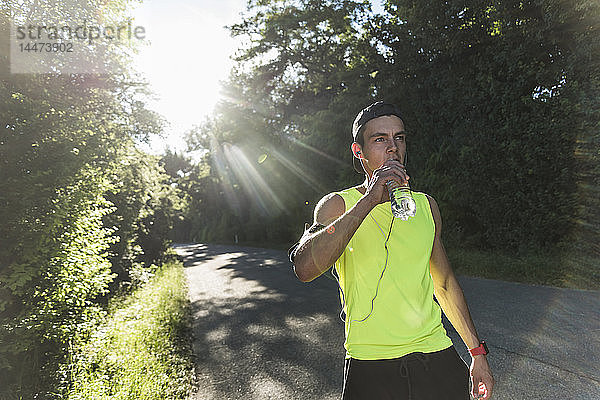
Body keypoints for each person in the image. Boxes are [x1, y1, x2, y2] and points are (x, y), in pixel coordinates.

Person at [288, 101, 495, 400]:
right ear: (358, 151)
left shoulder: (425, 206)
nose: (392, 147)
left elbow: (446, 284)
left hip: (436, 355)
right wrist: (370, 200)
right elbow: (304, 267)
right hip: (371, 363)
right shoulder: (337, 205)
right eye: (380, 139)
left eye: (399, 137)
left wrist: (478, 354)